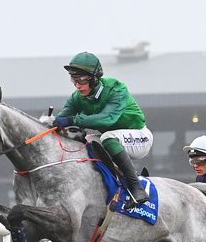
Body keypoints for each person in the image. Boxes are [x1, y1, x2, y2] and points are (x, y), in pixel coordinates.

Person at [53, 52, 152, 209]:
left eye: (82, 80)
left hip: (140, 137)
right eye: (74, 80)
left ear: (95, 78)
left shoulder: (116, 89)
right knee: (89, 142)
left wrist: (73, 120)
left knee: (107, 138)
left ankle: (137, 188)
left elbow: (108, 118)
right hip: (116, 138)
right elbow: (60, 119)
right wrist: (49, 123)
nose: (78, 85)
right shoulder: (77, 97)